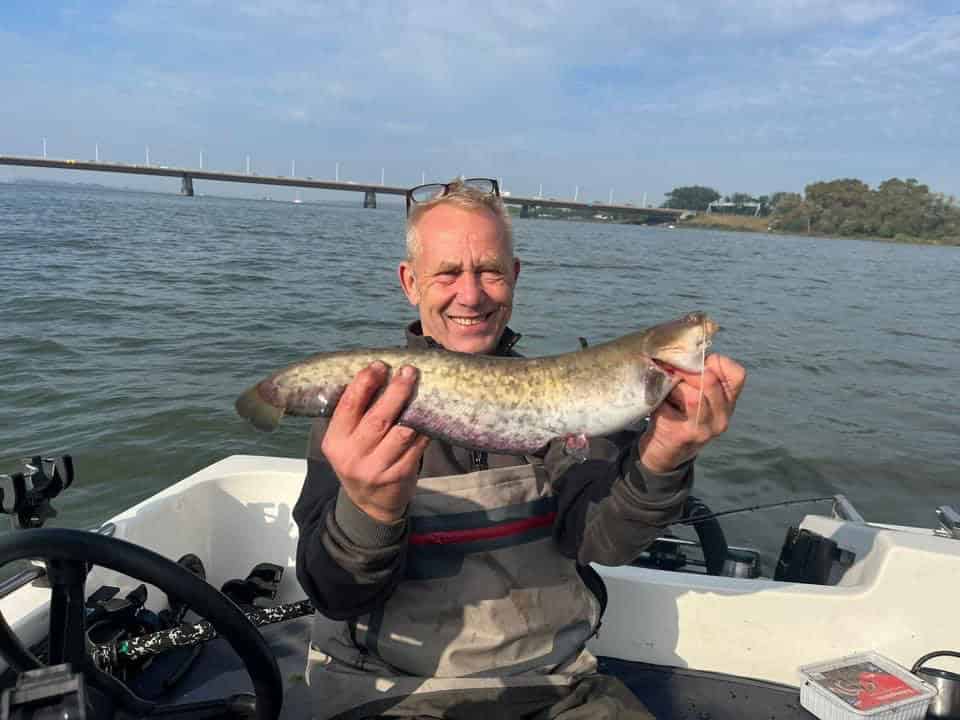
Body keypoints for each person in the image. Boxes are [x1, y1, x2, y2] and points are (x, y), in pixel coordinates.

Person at [293, 178, 747, 719]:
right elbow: (334, 594)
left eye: (489, 270)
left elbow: (602, 543)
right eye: (447, 273)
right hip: (392, 689)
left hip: (556, 684)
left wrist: (664, 454)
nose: (471, 294)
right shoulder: (360, 414)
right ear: (409, 282)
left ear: (514, 276)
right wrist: (370, 510)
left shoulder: (577, 399)